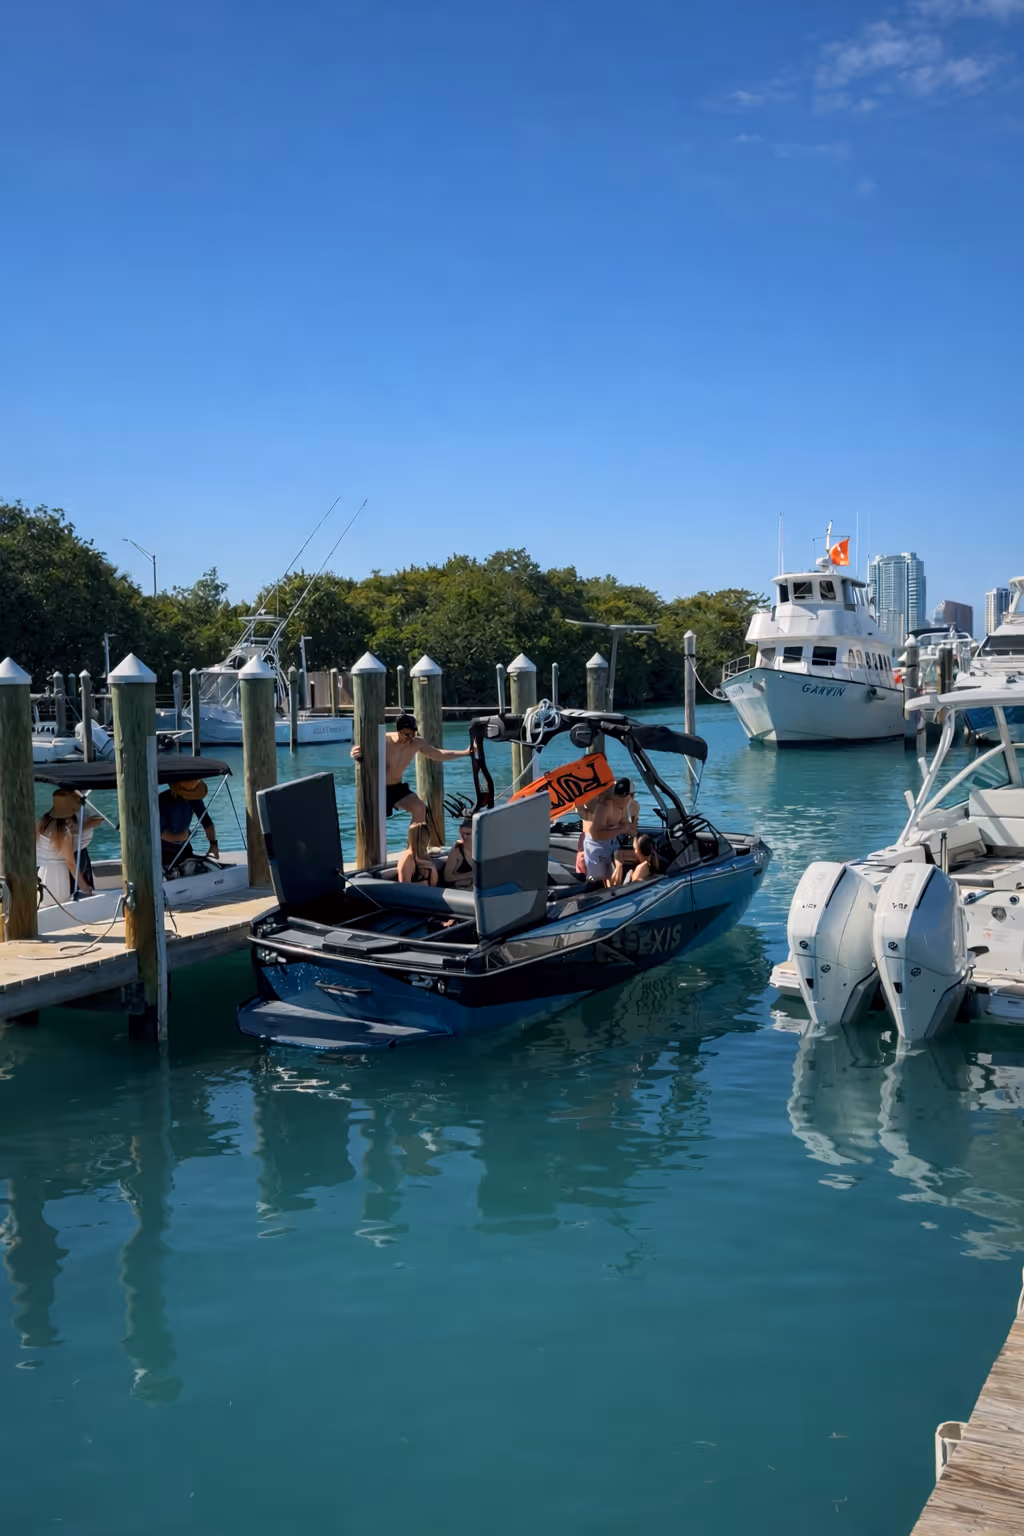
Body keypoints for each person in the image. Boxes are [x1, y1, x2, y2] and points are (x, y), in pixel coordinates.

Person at [350, 713, 472, 825]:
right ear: (398, 731)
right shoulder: (383, 740)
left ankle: (413, 847)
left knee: (420, 809)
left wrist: (466, 752)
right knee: (374, 824)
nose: (409, 739)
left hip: (396, 787)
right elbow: (359, 750)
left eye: (412, 736)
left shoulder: (416, 743)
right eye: (406, 735)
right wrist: (354, 752)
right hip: (377, 789)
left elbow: (438, 754)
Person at [36, 789, 103, 902]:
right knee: (61, 906)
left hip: (43, 871)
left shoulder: (42, 821)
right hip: (59, 875)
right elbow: (70, 863)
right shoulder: (63, 831)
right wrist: (85, 889)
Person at [579, 777, 640, 887]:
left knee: (613, 878)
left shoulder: (627, 806)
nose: (621, 803)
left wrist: (629, 829)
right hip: (596, 845)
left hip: (612, 843)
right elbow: (596, 834)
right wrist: (620, 829)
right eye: (618, 799)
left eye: (625, 799)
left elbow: (624, 824)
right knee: (596, 883)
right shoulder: (605, 806)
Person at [158, 778, 219, 873]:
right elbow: (157, 832)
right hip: (165, 850)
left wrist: (213, 845)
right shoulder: (162, 801)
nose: (189, 796)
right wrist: (181, 836)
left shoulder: (194, 800)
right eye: (187, 793)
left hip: (185, 846)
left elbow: (207, 822)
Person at [442, 817, 474, 887]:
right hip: (460, 892)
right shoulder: (456, 851)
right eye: (462, 833)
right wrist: (469, 875)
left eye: (468, 834)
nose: (464, 837)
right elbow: (447, 877)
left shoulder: (483, 850)